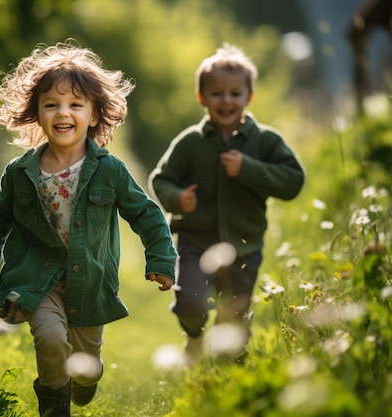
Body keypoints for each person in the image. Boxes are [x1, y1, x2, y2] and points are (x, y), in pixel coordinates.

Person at [0, 41, 177, 417]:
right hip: (39, 277)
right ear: (36, 113)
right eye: (51, 104)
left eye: (75, 104)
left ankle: (85, 379)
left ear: (95, 114)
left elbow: (146, 214)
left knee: (86, 364)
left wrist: (161, 258)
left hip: (91, 281)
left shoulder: (109, 170)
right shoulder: (20, 172)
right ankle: (54, 406)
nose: (62, 112)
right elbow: (0, 208)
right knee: (49, 339)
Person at [149, 43, 305, 364]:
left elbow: (293, 181)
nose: (226, 100)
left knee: (234, 316)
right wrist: (178, 199)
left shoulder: (265, 141)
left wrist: (248, 168)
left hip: (244, 245)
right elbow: (160, 179)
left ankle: (229, 377)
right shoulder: (190, 141)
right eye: (217, 93)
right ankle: (193, 336)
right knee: (191, 303)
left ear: (248, 98)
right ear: (201, 98)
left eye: (235, 93)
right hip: (196, 241)